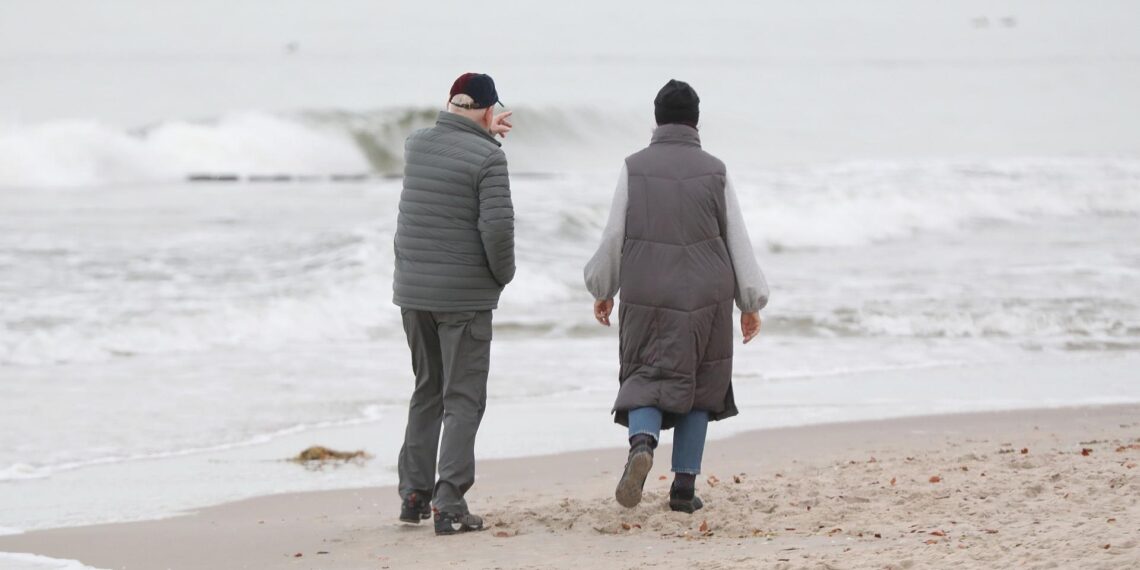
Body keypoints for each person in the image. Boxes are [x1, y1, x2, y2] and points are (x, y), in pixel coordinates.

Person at [584, 79, 769, 513]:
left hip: (647, 286)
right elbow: (736, 237)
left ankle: (643, 444)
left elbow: (614, 233)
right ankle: (683, 488)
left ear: (656, 118)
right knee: (701, 383)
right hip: (707, 291)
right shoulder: (715, 170)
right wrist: (751, 302)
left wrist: (603, 288)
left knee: (646, 375)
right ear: (696, 120)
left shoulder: (634, 166)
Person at [392, 72, 515, 535]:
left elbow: (448, 145)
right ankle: (450, 505)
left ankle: (413, 495)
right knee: (462, 398)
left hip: (413, 292)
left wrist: (480, 132)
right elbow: (498, 231)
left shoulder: (415, 144)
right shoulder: (488, 158)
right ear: (488, 111)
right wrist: (502, 277)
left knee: (427, 389)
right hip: (463, 296)